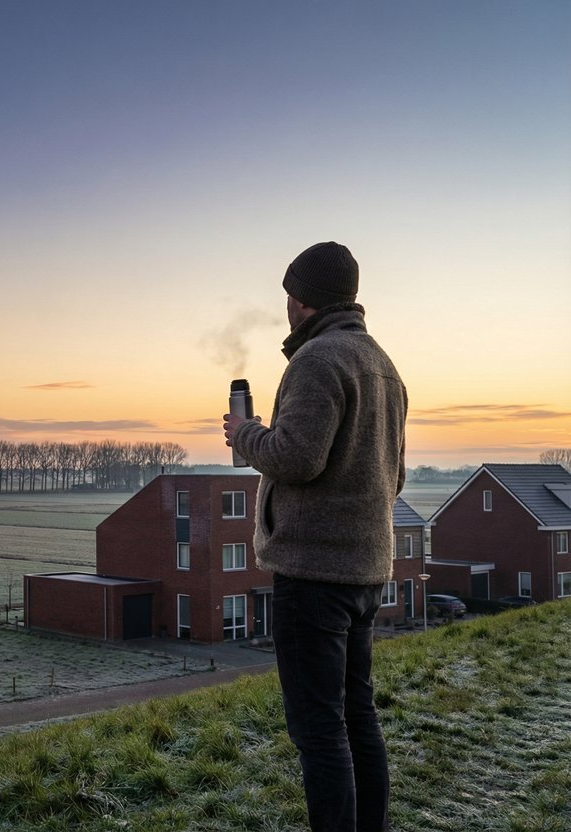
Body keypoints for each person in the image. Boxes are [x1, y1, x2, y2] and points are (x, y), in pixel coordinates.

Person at [222, 241, 407, 832]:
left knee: (319, 730)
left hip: (313, 575)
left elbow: (295, 457)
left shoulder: (316, 361)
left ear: (301, 298)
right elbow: (394, 476)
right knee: (358, 717)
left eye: (288, 294)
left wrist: (246, 432)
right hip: (366, 570)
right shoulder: (383, 365)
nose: (285, 306)